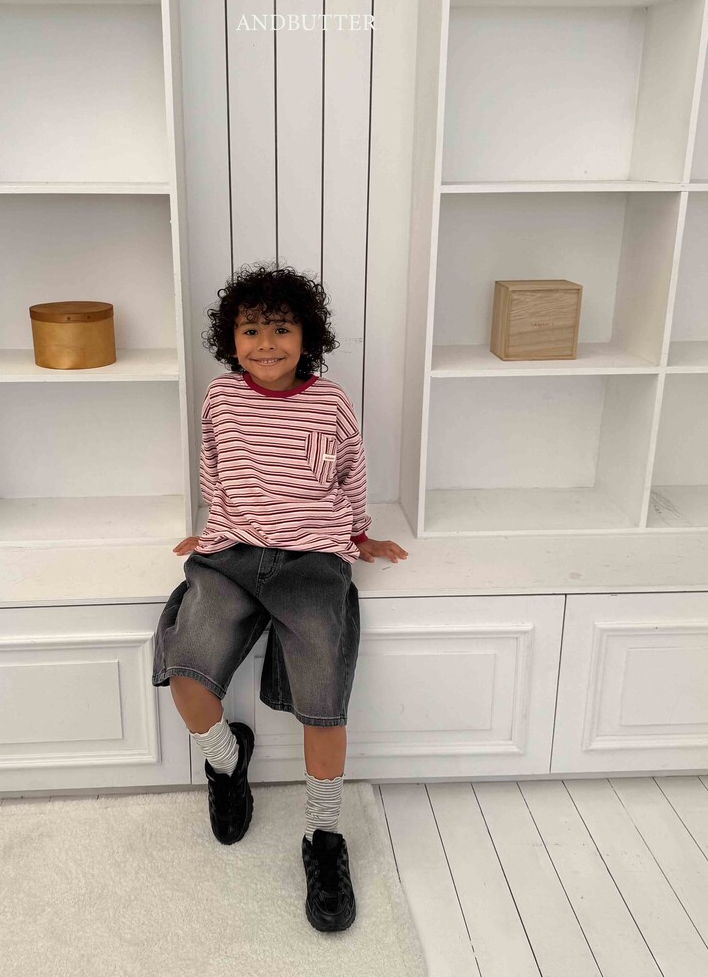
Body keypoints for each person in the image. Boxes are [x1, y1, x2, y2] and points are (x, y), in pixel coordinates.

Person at [151, 261, 409, 933]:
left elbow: (350, 473)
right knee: (187, 669)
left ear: (307, 337)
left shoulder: (331, 403)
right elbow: (213, 467)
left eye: (282, 329)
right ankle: (226, 761)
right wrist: (213, 528)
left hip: (313, 563)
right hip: (232, 556)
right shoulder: (220, 398)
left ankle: (324, 837)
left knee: (323, 698)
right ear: (231, 340)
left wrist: (359, 535)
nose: (266, 344)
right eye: (251, 331)